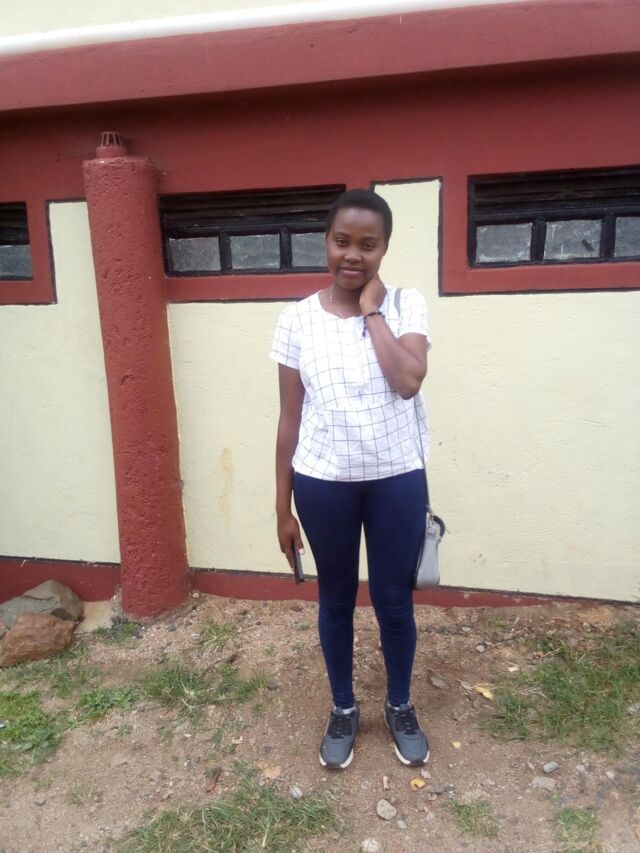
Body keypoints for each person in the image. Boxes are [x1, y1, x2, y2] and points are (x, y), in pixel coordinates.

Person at [270, 188, 432, 770]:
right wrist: (282, 507)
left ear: (384, 248)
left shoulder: (406, 304)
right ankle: (343, 708)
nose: (353, 255)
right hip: (323, 484)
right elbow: (290, 419)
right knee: (335, 600)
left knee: (394, 603)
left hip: (397, 481)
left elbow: (408, 380)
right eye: (342, 241)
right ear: (326, 242)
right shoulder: (296, 320)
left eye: (368, 244)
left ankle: (399, 705)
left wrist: (372, 311)